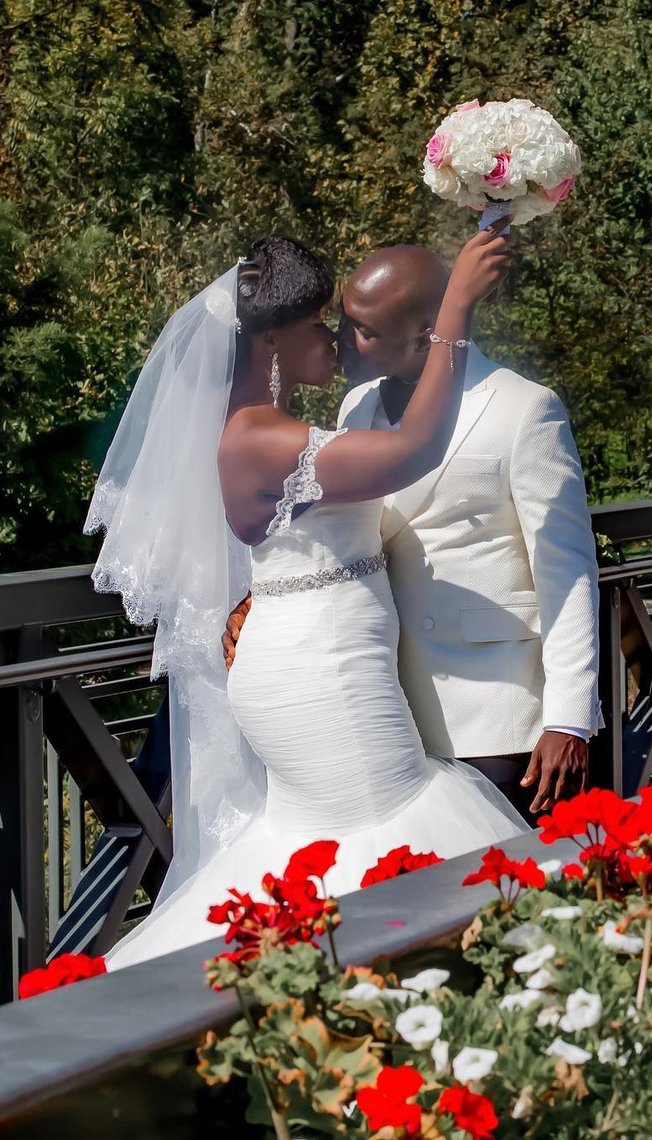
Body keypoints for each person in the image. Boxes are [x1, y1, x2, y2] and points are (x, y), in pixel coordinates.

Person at [87, 227, 527, 971]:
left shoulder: (272, 428)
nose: (333, 338)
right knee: (380, 832)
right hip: (324, 676)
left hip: (314, 653)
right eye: (319, 322)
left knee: (322, 850)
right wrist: (454, 314)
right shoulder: (257, 437)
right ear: (274, 344)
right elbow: (416, 451)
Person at [224, 244, 601, 820]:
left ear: (426, 337)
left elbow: (567, 568)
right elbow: (328, 532)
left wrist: (569, 717)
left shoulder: (525, 408)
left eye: (364, 331)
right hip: (377, 708)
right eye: (341, 321)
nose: (340, 340)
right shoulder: (354, 406)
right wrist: (270, 594)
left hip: (492, 714)